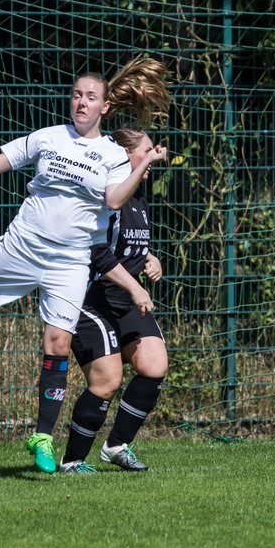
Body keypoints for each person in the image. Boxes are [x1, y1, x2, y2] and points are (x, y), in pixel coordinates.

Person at [0, 56, 170, 473]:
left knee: (58, 344)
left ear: (105, 108)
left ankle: (42, 437)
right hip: (24, 245)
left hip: (70, 262)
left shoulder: (114, 155)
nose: (81, 102)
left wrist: (144, 163)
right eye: (77, 94)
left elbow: (115, 200)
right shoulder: (48, 137)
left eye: (90, 97)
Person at [59, 127, 169, 474]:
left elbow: (128, 244)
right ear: (124, 155)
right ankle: (72, 460)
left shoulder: (138, 198)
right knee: (107, 380)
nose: (153, 157)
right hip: (89, 298)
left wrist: (149, 257)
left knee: (154, 364)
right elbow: (95, 251)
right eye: (147, 151)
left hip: (122, 299)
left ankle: (117, 446)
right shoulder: (106, 196)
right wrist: (136, 288)